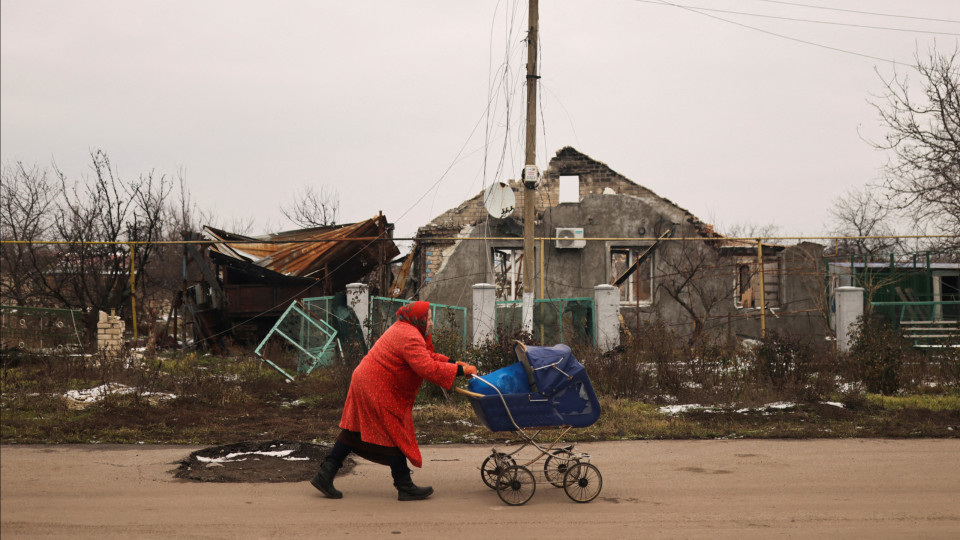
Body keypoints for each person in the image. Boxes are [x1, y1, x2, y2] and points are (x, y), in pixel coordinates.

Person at [311, 301, 477, 501]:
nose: (432, 323)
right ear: (419, 319)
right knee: (392, 433)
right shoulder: (409, 335)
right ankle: (404, 485)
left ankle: (325, 474)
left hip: (369, 381)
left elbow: (427, 355)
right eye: (429, 318)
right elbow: (425, 367)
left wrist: (452, 363)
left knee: (354, 432)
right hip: (376, 386)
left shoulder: (407, 329)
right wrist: (460, 371)